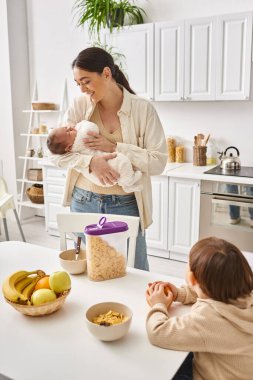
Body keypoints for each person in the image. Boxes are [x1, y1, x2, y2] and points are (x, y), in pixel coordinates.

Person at [49, 47, 167, 271]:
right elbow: (54, 154)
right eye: (78, 84)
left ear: (106, 73)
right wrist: (90, 163)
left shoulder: (143, 110)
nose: (83, 90)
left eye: (86, 81)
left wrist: (115, 146)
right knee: (92, 270)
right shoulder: (80, 105)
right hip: (83, 201)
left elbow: (158, 162)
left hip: (126, 203)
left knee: (135, 270)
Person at [146, 237, 253, 380]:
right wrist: (179, 294)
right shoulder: (245, 294)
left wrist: (158, 304)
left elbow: (158, 332)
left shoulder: (208, 318)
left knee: (160, 365)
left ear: (192, 278)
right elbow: (210, 293)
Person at [47, 120, 142, 193]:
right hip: (85, 193)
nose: (70, 128)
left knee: (121, 164)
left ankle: (126, 183)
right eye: (68, 132)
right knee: (122, 162)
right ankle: (129, 182)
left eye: (66, 127)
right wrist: (90, 161)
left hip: (101, 182)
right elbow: (92, 128)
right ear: (69, 147)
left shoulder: (70, 149)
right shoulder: (82, 139)